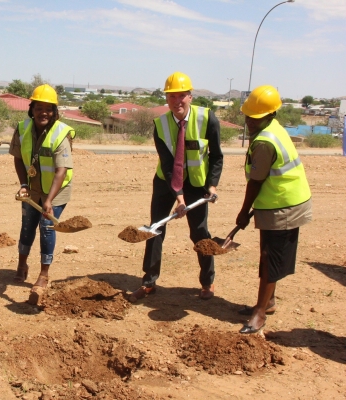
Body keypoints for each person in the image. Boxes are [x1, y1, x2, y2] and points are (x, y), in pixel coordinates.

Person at [130, 72, 223, 302]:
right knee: (156, 228)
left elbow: (217, 156)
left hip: (197, 183)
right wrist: (179, 198)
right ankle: (149, 282)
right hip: (166, 181)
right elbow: (169, 164)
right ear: (166, 99)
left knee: (199, 233)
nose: (177, 101)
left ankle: (207, 281)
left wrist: (211, 185)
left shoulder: (207, 118)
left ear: (190, 97)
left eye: (182, 96)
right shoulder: (159, 125)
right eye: (172, 96)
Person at [234, 85, 312, 334]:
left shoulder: (266, 141)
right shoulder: (273, 129)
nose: (249, 122)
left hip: (284, 204)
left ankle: (259, 313)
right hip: (276, 201)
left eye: (254, 118)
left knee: (270, 258)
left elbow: (256, 181)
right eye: (247, 116)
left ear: (269, 115)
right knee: (270, 255)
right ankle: (268, 302)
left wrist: (244, 212)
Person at [9, 84, 75, 303]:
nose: (43, 113)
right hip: (32, 188)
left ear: (55, 112)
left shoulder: (61, 134)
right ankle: (22, 264)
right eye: (39, 108)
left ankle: (44, 273)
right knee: (27, 224)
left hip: (56, 191)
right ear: (32, 109)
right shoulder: (23, 128)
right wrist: (23, 184)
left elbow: (61, 170)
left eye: (48, 109)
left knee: (47, 228)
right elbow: (18, 158)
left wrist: (49, 200)